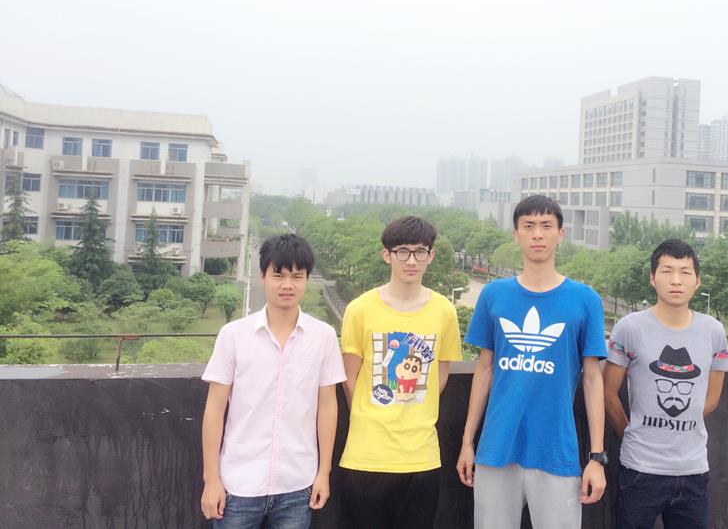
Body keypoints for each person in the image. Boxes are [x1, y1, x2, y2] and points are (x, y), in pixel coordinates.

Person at [457, 194, 608, 529]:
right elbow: (484, 369)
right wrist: (467, 442)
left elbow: (592, 378)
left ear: (560, 234)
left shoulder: (584, 299)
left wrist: (597, 457)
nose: (537, 234)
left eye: (546, 226)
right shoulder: (494, 295)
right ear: (516, 234)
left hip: (556, 449)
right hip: (496, 447)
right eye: (528, 226)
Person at [200, 234, 345, 528]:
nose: (287, 285)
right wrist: (211, 479)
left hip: (297, 484)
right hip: (239, 483)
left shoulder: (323, 336)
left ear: (306, 280)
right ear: (263, 277)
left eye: (297, 276)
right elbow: (214, 408)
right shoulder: (234, 335)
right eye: (278, 275)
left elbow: (327, 406)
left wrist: (324, 473)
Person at [339, 216, 462, 529]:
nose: (411, 260)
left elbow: (439, 377)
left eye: (420, 252)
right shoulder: (360, 309)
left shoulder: (443, 311)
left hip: (421, 456)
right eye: (402, 251)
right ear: (387, 255)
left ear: (431, 256)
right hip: (366, 456)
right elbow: (350, 380)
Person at [603, 238, 728, 529]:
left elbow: (711, 398)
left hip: (694, 470)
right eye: (666, 271)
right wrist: (632, 434)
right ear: (652, 278)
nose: (676, 280)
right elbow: (608, 394)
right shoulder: (630, 328)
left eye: (685, 272)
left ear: (697, 281)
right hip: (640, 470)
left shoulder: (713, 331)